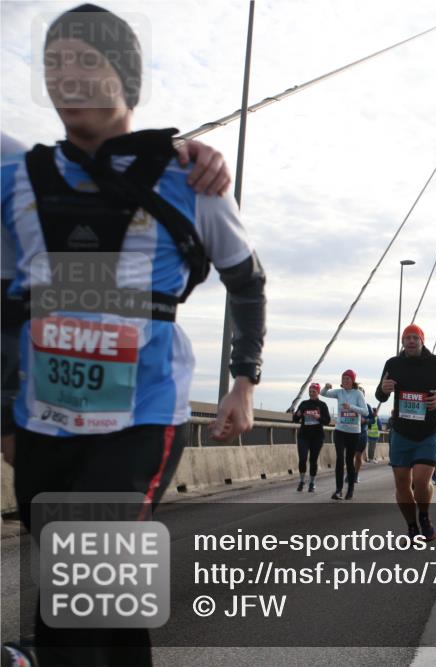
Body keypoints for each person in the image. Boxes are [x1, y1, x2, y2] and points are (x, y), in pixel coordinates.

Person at [0, 6, 266, 664]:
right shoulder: (17, 176)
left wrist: (244, 382)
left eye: (88, 60)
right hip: (44, 417)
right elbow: (8, 305)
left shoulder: (191, 178)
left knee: (79, 575)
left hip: (143, 413)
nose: (70, 75)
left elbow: (247, 281)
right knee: (105, 598)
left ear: (126, 73)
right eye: (55, 62)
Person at [375, 323, 436, 541]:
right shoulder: (393, 364)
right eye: (407, 338)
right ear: (402, 342)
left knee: (420, 481)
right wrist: (383, 389)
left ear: (422, 341)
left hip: (428, 433)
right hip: (401, 432)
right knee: (402, 483)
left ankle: (424, 516)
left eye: (415, 338)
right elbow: (380, 396)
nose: (411, 341)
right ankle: (411, 526)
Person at [322, 371, 367, 500]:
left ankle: (350, 489)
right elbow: (323, 394)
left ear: (352, 381)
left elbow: (365, 411)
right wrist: (326, 387)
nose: (345, 381)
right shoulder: (339, 392)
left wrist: (351, 407)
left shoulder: (358, 394)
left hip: (353, 432)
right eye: (343, 378)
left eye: (348, 379)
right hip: (340, 430)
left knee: (349, 460)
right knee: (340, 459)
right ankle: (338, 490)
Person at [292, 383, 331, 492]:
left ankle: (312, 482)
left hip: (317, 437)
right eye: (310, 391)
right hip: (303, 436)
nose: (311, 393)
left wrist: (319, 417)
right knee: (302, 459)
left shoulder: (322, 405)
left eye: (314, 391)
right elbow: (294, 419)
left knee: (313, 460)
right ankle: (301, 481)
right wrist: (298, 414)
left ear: (318, 392)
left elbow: (327, 421)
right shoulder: (304, 404)